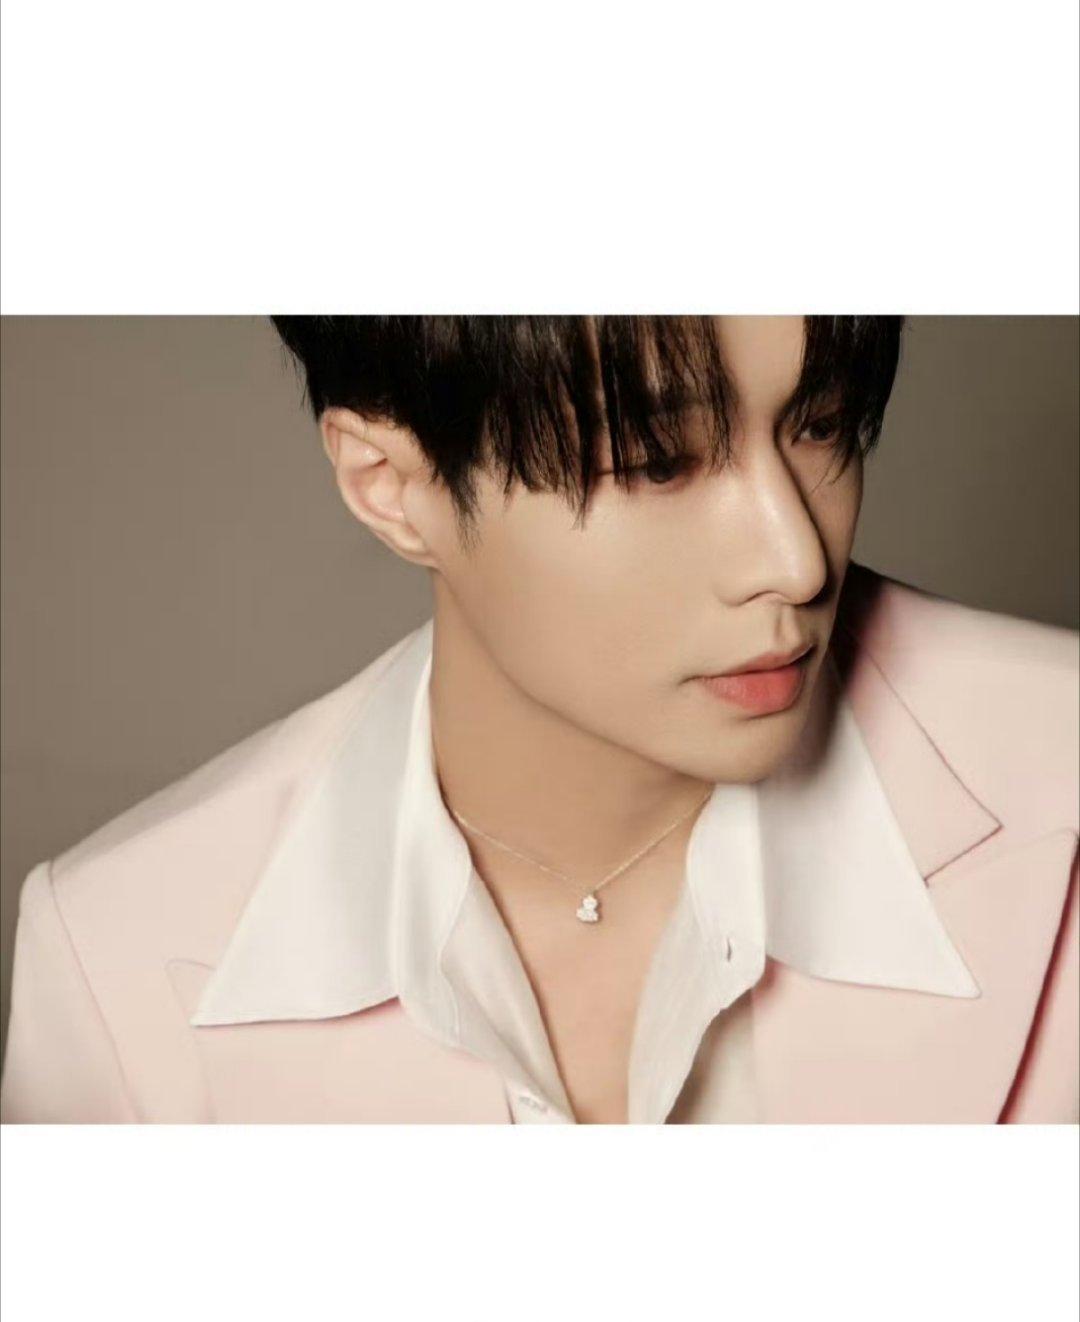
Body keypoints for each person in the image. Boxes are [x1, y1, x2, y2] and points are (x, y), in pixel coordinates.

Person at [1, 315, 1076, 1124]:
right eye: (657, 462)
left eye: (822, 425)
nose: (795, 560)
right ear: (391, 486)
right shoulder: (115, 955)